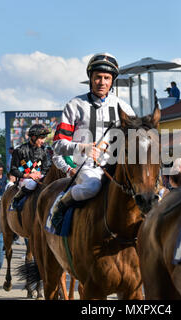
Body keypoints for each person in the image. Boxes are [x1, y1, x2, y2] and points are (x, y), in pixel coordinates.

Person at [50, 52, 135, 220]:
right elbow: (58, 145)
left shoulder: (123, 107)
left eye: (106, 78)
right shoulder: (75, 105)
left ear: (112, 81)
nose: (102, 82)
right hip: (87, 168)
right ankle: (61, 204)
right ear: (90, 78)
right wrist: (83, 148)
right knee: (92, 186)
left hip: (116, 168)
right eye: (98, 77)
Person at [9, 124, 51, 207]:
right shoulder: (19, 150)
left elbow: (46, 167)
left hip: (39, 178)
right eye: (41, 138)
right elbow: (13, 169)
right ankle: (16, 199)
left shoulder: (44, 151)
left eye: (44, 138)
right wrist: (27, 175)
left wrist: (40, 173)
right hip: (24, 179)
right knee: (32, 184)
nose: (43, 141)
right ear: (33, 137)